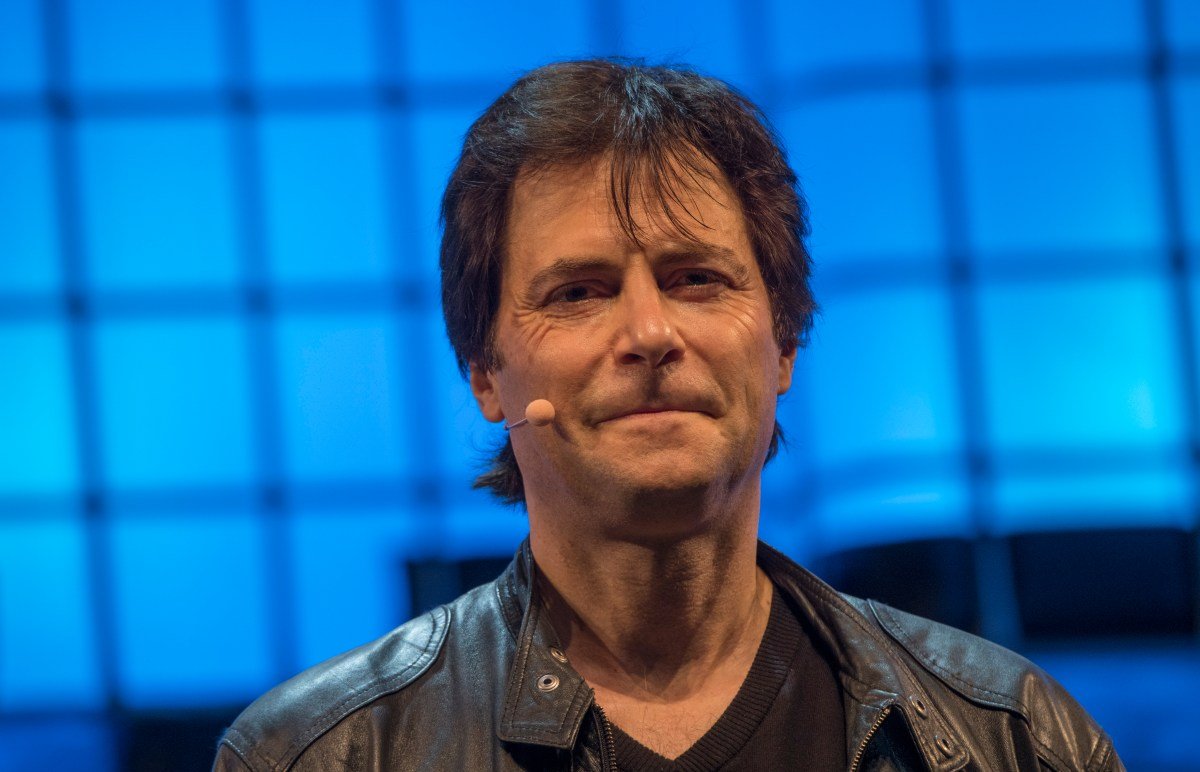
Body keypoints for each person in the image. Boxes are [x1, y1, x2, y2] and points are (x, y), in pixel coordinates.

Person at [213, 59, 1123, 771]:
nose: (650, 333)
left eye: (696, 279)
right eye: (579, 292)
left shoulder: (1019, 739)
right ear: (485, 373)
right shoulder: (319, 756)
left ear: (784, 344)